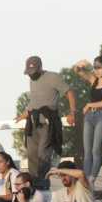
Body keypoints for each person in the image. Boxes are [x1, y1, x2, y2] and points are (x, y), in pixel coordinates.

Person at [17, 55, 77, 190]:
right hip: (33, 122)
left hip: (48, 123)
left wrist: (72, 112)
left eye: (33, 72)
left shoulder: (53, 77)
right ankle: (33, 185)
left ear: (40, 68)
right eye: (29, 73)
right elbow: (35, 100)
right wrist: (26, 113)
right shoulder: (32, 81)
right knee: (31, 154)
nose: (31, 75)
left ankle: (43, 185)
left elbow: (69, 92)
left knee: (43, 154)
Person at [71, 54, 102, 183]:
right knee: (87, 151)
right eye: (95, 67)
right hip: (90, 116)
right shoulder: (93, 79)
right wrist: (80, 64)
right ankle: (85, 179)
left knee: (96, 149)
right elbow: (77, 71)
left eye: (99, 67)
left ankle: (91, 180)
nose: (97, 70)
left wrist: (89, 104)